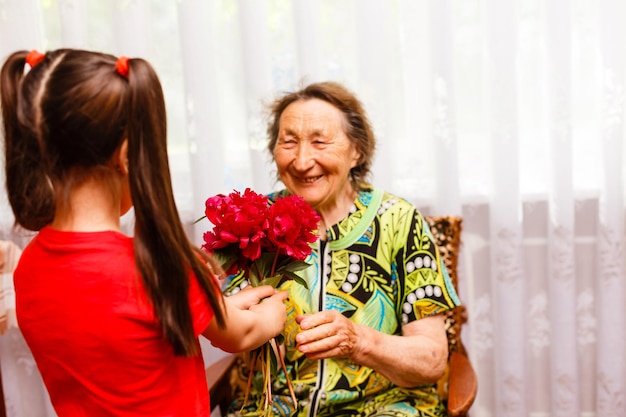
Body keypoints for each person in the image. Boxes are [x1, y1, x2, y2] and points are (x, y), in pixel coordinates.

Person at [0, 48, 287, 416]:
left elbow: (120, 330)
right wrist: (274, 313)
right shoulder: (158, 269)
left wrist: (213, 304)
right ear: (125, 156)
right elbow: (242, 333)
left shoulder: (30, 268)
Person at [223, 81, 461, 417]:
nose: (303, 161)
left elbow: (432, 359)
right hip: (273, 408)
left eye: (320, 142)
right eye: (288, 142)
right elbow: (230, 331)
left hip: (383, 407)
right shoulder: (252, 222)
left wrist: (360, 340)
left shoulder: (397, 220)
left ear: (357, 151)